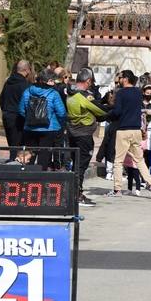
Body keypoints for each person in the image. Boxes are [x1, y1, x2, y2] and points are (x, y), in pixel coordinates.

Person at [108, 70, 151, 199]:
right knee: (140, 160)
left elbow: (117, 111)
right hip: (136, 130)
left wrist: (108, 115)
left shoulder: (120, 93)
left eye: (121, 77)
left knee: (118, 161)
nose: (119, 79)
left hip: (123, 129)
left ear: (125, 79)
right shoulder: (138, 93)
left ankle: (117, 190)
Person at [65, 69, 110, 206]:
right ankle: (77, 195)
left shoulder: (70, 94)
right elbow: (101, 111)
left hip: (72, 133)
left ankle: (72, 193)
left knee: (75, 164)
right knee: (81, 166)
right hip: (84, 135)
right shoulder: (84, 96)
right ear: (88, 81)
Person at [18, 68, 68, 169]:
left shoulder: (27, 91)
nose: (54, 82)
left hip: (30, 129)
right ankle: (40, 180)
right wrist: (59, 123)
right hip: (49, 129)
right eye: (52, 80)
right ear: (47, 81)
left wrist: (29, 119)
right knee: (44, 157)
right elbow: (62, 113)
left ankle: (28, 179)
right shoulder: (53, 93)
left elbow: (21, 110)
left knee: (29, 156)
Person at [0, 59, 33, 159]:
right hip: (19, 118)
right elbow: (28, 104)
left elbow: (1, 100)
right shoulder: (25, 85)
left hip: (7, 116)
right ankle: (15, 167)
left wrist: (6, 110)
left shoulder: (8, 83)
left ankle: (12, 162)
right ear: (27, 70)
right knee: (19, 145)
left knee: (12, 144)